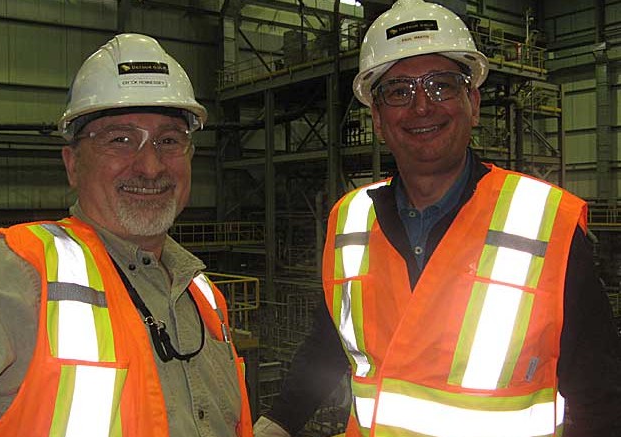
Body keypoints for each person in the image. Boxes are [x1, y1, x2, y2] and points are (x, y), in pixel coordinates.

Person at [253, 0, 621, 436]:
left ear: (474, 101)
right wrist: (278, 422)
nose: (422, 106)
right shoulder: (350, 218)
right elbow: (331, 342)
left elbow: (600, 397)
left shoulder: (545, 223)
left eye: (441, 85)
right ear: (377, 116)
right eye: (399, 92)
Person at [0, 33, 252, 437]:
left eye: (168, 141)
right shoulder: (21, 274)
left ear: (191, 158)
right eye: (120, 140)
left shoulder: (203, 297)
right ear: (73, 164)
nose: (150, 166)